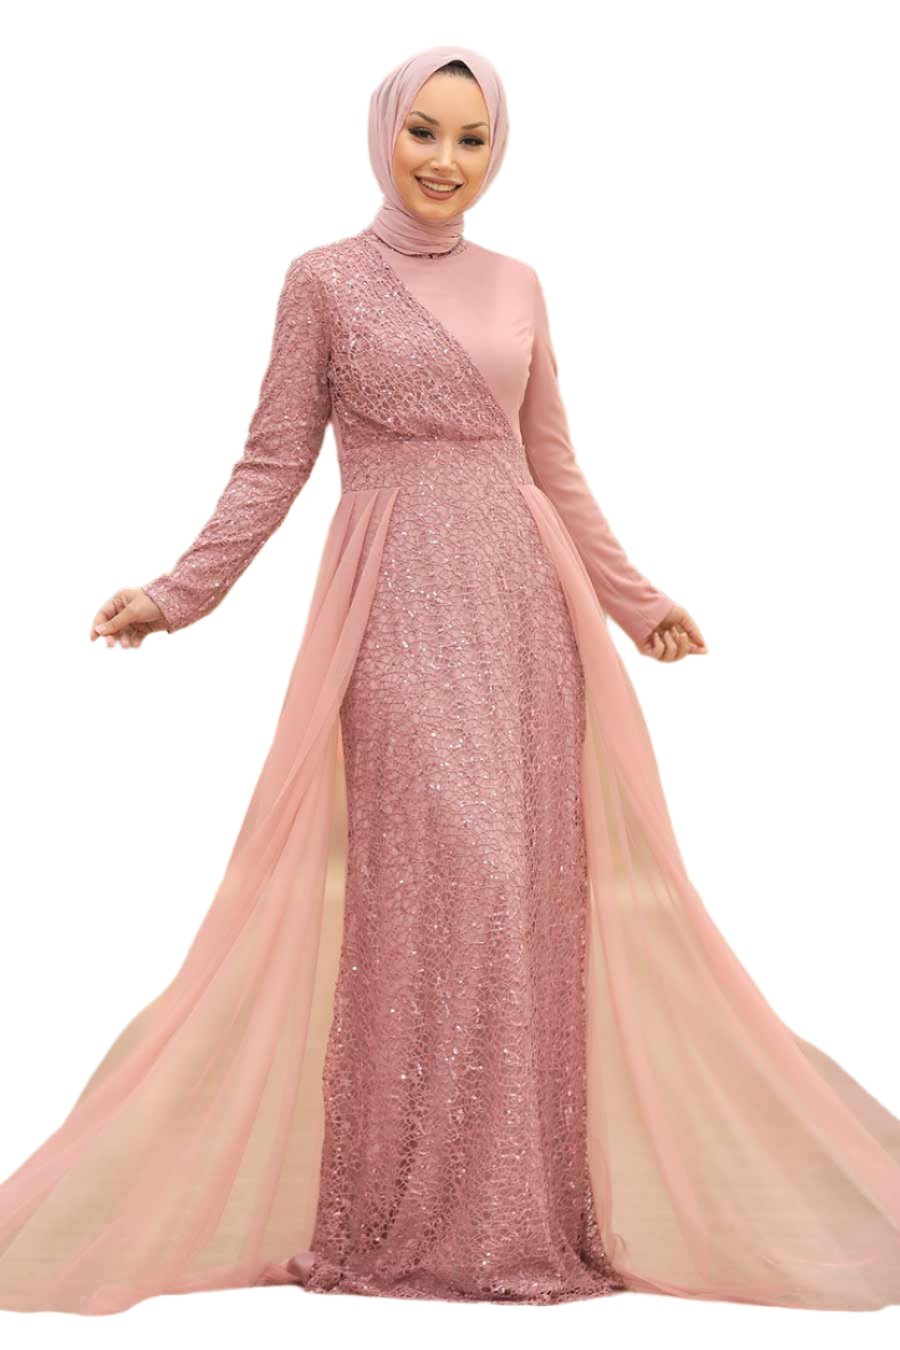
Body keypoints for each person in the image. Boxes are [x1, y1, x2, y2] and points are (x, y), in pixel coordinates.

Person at [1, 44, 899, 1318]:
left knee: (522, 894)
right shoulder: (323, 279)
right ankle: (406, 1211)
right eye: (423, 130)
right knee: (450, 881)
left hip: (529, 612)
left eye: (472, 139)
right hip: (393, 610)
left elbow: (553, 462)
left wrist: (638, 603)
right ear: (383, 132)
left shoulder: (519, 282)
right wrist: (177, 592)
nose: (444, 159)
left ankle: (518, 1214)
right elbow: (273, 458)